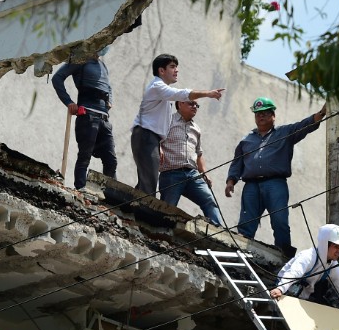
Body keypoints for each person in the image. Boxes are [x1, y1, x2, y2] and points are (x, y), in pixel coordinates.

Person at [225, 97, 327, 258]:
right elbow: (237, 163)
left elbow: (304, 126)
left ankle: (283, 254)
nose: (261, 116)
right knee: (246, 222)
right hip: (251, 185)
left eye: (265, 113)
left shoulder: (284, 132)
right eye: (258, 114)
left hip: (275, 183)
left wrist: (321, 113)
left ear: (273, 116)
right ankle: (242, 250)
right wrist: (231, 181)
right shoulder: (247, 140)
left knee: (280, 220)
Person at [132, 54, 225, 195]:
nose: (177, 70)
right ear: (161, 70)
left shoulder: (162, 93)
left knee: (146, 181)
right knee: (149, 182)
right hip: (145, 136)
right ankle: (138, 213)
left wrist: (159, 144)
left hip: (150, 138)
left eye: (176, 67)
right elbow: (182, 94)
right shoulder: (157, 86)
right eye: (172, 66)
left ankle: (130, 209)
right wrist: (208, 93)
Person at [269, 224, 339, 328]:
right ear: (325, 244)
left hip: (300, 301)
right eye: (335, 246)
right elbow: (294, 272)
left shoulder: (333, 267)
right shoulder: (308, 256)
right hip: (284, 295)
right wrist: (280, 288)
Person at [51, 47, 115, 187]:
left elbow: (109, 87)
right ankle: (80, 189)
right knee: (84, 156)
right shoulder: (80, 60)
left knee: (111, 160)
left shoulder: (102, 65)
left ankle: (109, 193)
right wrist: (68, 102)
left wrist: (110, 100)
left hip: (104, 118)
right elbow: (57, 78)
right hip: (88, 115)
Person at [158, 100, 222, 225]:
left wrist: (205, 173)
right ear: (180, 104)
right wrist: (158, 146)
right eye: (191, 103)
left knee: (209, 200)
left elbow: (199, 154)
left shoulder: (196, 128)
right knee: (168, 208)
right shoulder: (167, 120)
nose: (195, 107)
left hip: (193, 174)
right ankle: (162, 233)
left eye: (197, 105)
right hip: (171, 174)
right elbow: (154, 139)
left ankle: (218, 231)